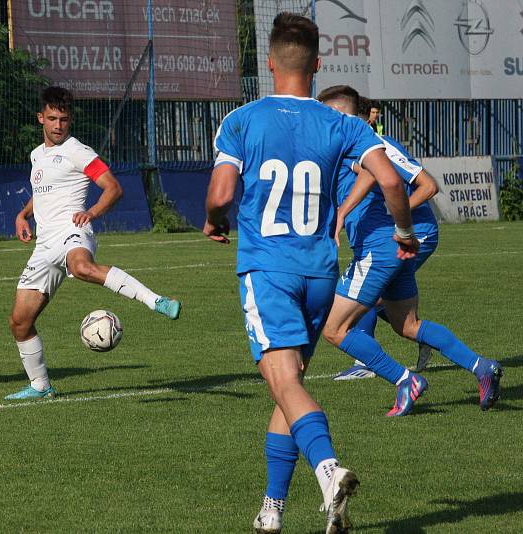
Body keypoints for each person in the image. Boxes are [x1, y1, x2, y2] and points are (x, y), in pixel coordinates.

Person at [204, 14, 418, 534]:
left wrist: (213, 221)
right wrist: (404, 232)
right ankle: (271, 510)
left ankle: (327, 471)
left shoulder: (242, 120)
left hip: (268, 269)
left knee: (283, 382)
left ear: (270, 64)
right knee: (288, 386)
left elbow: (221, 195)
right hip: (321, 272)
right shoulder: (343, 123)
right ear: (318, 65)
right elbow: (390, 180)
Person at [317, 86, 503, 415]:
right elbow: (368, 175)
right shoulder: (350, 147)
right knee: (407, 325)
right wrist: (344, 215)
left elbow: (407, 181)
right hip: (395, 246)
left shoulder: (363, 143)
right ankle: (481, 366)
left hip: (386, 245)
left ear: (339, 116)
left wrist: (381, 216)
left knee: (333, 327)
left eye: (323, 117)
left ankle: (404, 379)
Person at [6, 86, 181, 401]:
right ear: (40, 119)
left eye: (64, 119)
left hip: (74, 231)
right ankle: (40, 386)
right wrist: (23, 215)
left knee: (81, 267)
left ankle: (156, 301)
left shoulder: (78, 151)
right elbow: (44, 191)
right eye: (53, 119)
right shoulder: (37, 154)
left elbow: (112, 187)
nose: (59, 125)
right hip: (45, 245)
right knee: (20, 322)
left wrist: (92, 212)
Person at [333, 95, 439, 380]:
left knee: (369, 293)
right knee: (378, 297)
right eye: (373, 114)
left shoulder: (382, 147)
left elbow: (429, 186)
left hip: (419, 232)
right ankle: (420, 336)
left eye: (375, 116)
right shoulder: (356, 151)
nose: (375, 120)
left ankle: (367, 361)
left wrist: (394, 211)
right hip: (394, 234)